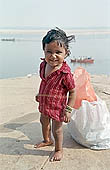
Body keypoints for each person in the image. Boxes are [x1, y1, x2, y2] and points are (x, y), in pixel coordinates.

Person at [34, 27, 76, 161]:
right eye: (49, 52)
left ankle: (58, 149)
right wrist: (40, 95)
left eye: (58, 52)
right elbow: (45, 82)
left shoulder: (65, 73)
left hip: (58, 107)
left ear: (66, 53)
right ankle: (47, 140)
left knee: (57, 129)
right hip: (44, 103)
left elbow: (73, 92)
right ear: (44, 51)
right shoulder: (43, 65)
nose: (53, 56)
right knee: (43, 121)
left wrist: (68, 110)